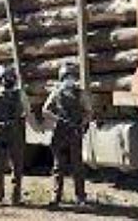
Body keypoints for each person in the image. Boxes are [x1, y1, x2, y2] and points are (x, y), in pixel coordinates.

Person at [0, 62, 37, 207]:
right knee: (17, 165)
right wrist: (36, 127)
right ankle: (15, 198)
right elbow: (28, 112)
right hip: (15, 131)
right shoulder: (20, 93)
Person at [42, 61, 92, 207]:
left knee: (77, 166)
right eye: (67, 76)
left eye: (71, 76)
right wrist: (58, 120)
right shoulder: (56, 92)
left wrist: (81, 124)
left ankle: (80, 197)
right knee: (59, 166)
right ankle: (56, 197)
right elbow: (45, 110)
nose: (69, 79)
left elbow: (89, 112)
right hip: (60, 132)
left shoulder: (80, 93)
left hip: (74, 131)